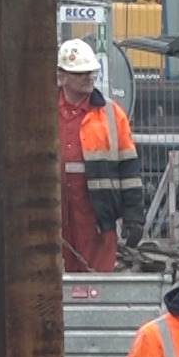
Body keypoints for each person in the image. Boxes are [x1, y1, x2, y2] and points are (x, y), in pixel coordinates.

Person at [58, 39, 144, 273]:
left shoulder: (111, 114)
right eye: (81, 73)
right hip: (54, 218)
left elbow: (129, 171)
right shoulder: (43, 113)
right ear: (62, 76)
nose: (88, 77)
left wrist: (134, 217)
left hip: (97, 219)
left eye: (91, 72)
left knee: (98, 284)